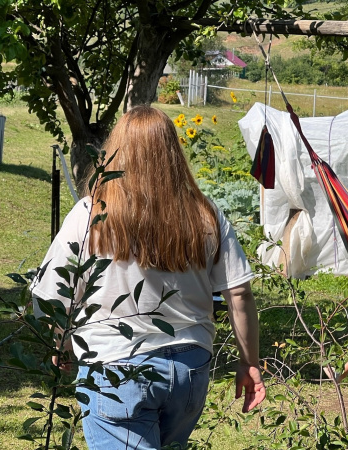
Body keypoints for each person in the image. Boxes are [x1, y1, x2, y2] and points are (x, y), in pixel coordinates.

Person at [31, 105, 265, 449]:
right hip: (189, 369)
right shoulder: (205, 214)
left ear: (115, 152)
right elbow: (239, 294)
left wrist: (61, 341)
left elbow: (52, 293)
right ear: (172, 153)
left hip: (114, 368)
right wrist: (250, 362)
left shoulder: (90, 214)